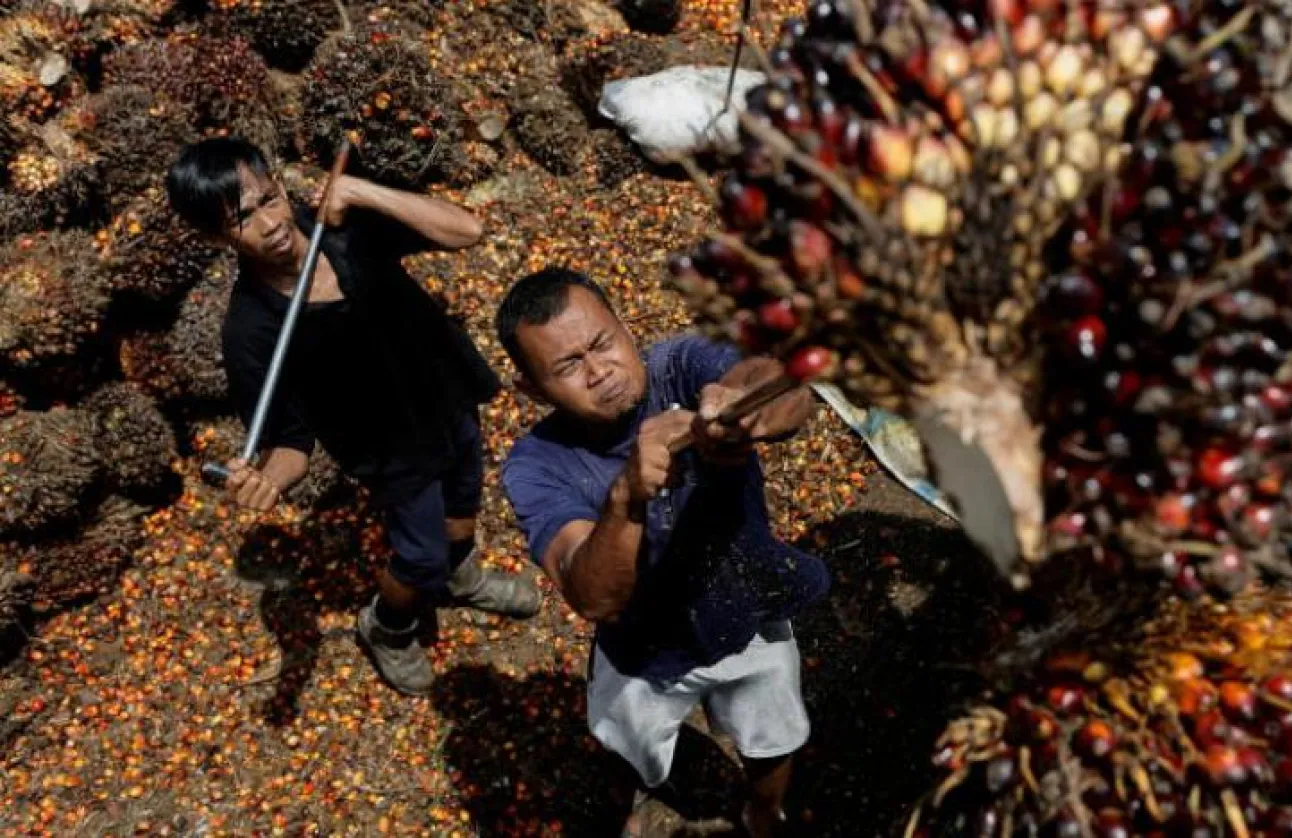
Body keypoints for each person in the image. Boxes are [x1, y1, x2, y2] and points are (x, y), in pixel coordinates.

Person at [164, 136, 541, 696]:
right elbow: (289, 444)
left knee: (463, 509)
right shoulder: (250, 333)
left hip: (447, 393)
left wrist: (363, 192)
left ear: (280, 185)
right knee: (419, 557)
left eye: (269, 199)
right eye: (243, 219)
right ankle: (387, 627)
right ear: (217, 238)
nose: (271, 224)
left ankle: (463, 579)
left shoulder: (344, 228)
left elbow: (467, 230)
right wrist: (268, 481)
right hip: (388, 450)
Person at [496, 268, 829, 837]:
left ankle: (763, 814)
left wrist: (741, 409)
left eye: (602, 343)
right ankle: (628, 805)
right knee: (625, 744)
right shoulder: (536, 466)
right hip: (639, 651)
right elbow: (593, 597)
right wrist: (626, 496)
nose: (599, 371)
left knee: (773, 737)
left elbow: (778, 387)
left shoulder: (683, 365)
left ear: (626, 328)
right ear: (532, 390)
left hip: (750, 614)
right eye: (568, 366)